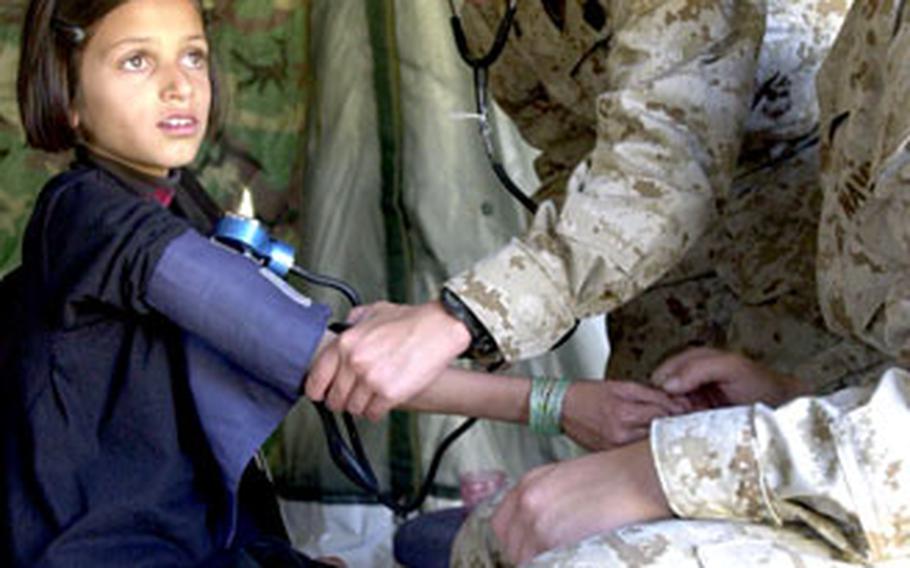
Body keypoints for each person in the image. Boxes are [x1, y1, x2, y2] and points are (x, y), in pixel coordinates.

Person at [450, 0, 910, 564]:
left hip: (876, 481)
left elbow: (665, 170)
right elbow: (574, 151)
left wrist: (661, 473)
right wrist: (791, 397)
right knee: (497, 536)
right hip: (839, 419)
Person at [307, 0, 883, 429]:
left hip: (810, 273)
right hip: (667, 284)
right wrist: (484, 321)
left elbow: (664, 174)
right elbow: (571, 154)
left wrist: (460, 316)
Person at [0, 0, 335, 565]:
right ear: (69, 94)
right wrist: (534, 402)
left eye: (193, 56)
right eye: (137, 61)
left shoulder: (180, 197)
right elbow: (304, 346)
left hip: (188, 536)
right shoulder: (87, 212)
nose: (179, 85)